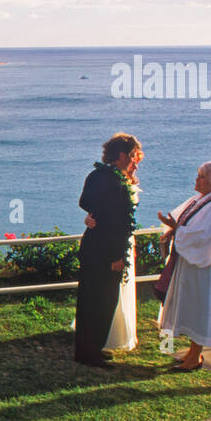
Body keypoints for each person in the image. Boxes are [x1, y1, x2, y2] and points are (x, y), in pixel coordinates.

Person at [157, 158, 211, 371]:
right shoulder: (201, 200)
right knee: (189, 308)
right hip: (190, 265)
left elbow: (205, 238)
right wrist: (173, 229)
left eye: (202, 177)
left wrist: (177, 230)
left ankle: (195, 357)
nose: (197, 179)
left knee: (200, 310)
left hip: (204, 269)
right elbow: (183, 223)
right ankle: (191, 353)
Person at [74, 134, 142, 368]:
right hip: (107, 249)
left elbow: (84, 202)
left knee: (88, 299)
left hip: (92, 244)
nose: (134, 159)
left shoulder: (96, 175)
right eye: (132, 155)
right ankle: (91, 351)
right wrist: (117, 256)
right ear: (122, 155)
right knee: (104, 301)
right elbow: (118, 223)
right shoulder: (116, 183)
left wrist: (93, 215)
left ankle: (85, 348)